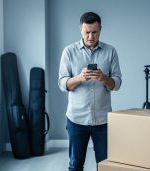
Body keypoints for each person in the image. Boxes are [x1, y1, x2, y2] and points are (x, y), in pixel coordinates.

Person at [58, 12, 122, 171]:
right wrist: (79, 78)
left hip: (103, 120)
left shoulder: (111, 51)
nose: (91, 36)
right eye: (87, 32)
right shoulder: (69, 51)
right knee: (75, 165)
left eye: (95, 32)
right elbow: (62, 83)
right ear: (81, 30)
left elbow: (117, 83)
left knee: (106, 166)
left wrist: (104, 78)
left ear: (100, 29)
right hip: (76, 120)